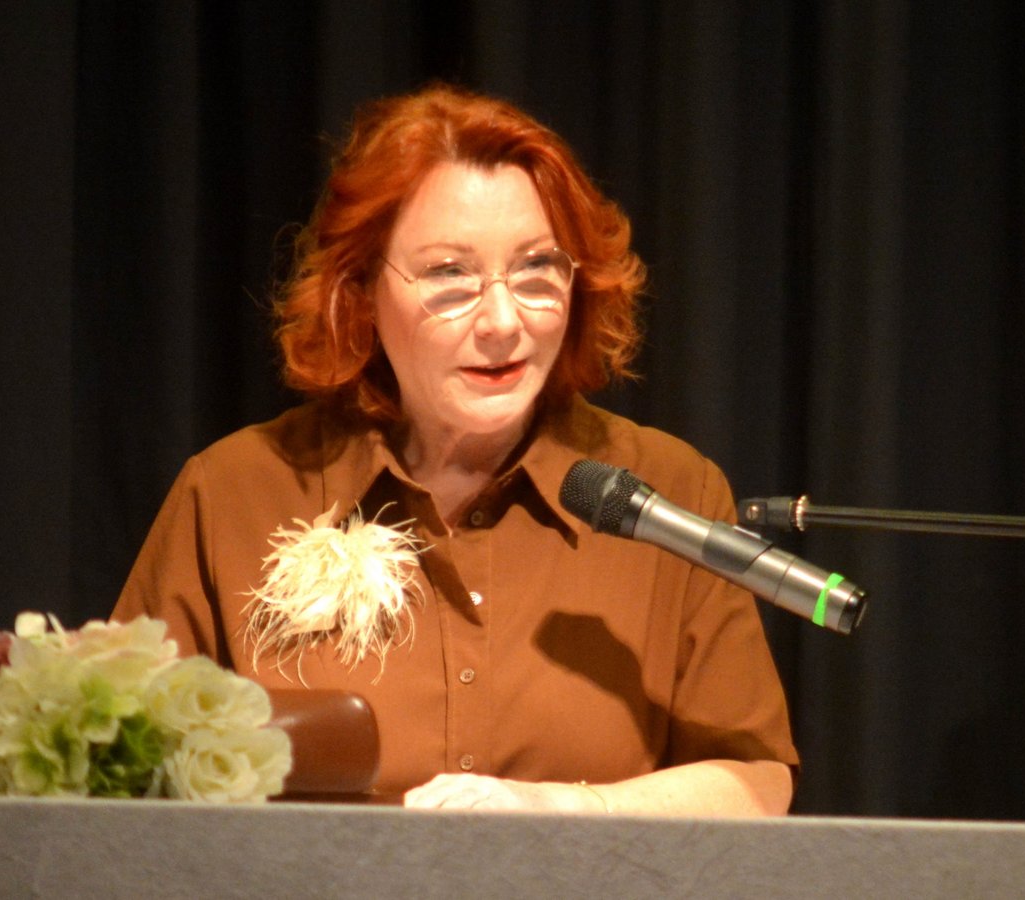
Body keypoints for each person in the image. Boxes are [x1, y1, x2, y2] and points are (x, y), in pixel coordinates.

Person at [112, 84, 797, 816]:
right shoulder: (234, 494)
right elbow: (117, 772)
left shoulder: (670, 490)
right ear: (362, 287)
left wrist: (554, 813)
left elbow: (755, 783)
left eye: (538, 268)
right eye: (449, 275)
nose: (503, 321)